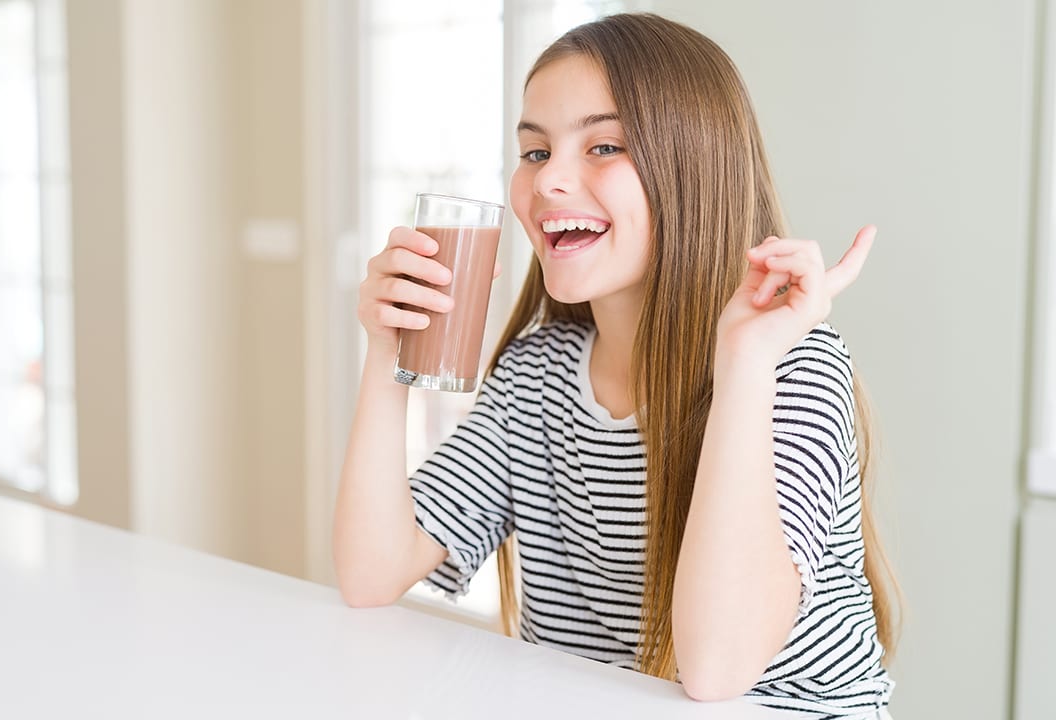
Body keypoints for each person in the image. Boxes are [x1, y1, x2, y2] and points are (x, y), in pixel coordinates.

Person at [335, 12, 897, 718]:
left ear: (691, 170)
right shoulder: (537, 376)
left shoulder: (793, 368)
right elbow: (371, 571)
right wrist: (389, 353)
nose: (549, 182)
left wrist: (745, 366)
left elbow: (717, 668)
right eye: (535, 153)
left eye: (603, 146)